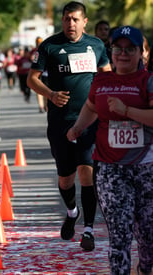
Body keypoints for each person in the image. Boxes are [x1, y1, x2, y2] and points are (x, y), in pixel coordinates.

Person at [67, 26, 153, 275]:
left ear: (140, 53)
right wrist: (78, 127)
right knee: (120, 233)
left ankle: (145, 268)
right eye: (118, 49)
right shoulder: (101, 81)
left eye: (130, 49)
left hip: (146, 168)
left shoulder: (147, 81)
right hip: (110, 169)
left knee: (148, 234)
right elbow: (91, 107)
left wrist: (127, 111)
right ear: (111, 52)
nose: (123, 54)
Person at [27, 1, 111, 251]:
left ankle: (88, 229)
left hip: (90, 121)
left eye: (75, 19)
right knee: (66, 178)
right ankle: (72, 212)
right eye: (66, 19)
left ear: (84, 21)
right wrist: (51, 94)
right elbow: (32, 79)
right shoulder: (49, 46)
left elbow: (105, 76)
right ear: (61, 21)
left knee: (87, 172)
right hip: (60, 122)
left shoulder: (96, 45)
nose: (70, 23)